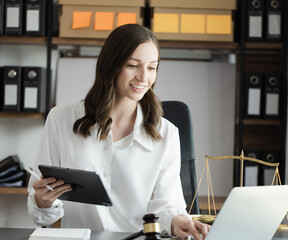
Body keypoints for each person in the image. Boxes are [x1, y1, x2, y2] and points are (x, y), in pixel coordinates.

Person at [27, 24, 210, 240]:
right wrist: (43, 201)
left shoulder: (167, 133)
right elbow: (42, 217)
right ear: (111, 66)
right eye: (133, 65)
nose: (144, 77)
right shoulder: (61, 120)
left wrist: (178, 221)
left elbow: (168, 205)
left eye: (152, 67)